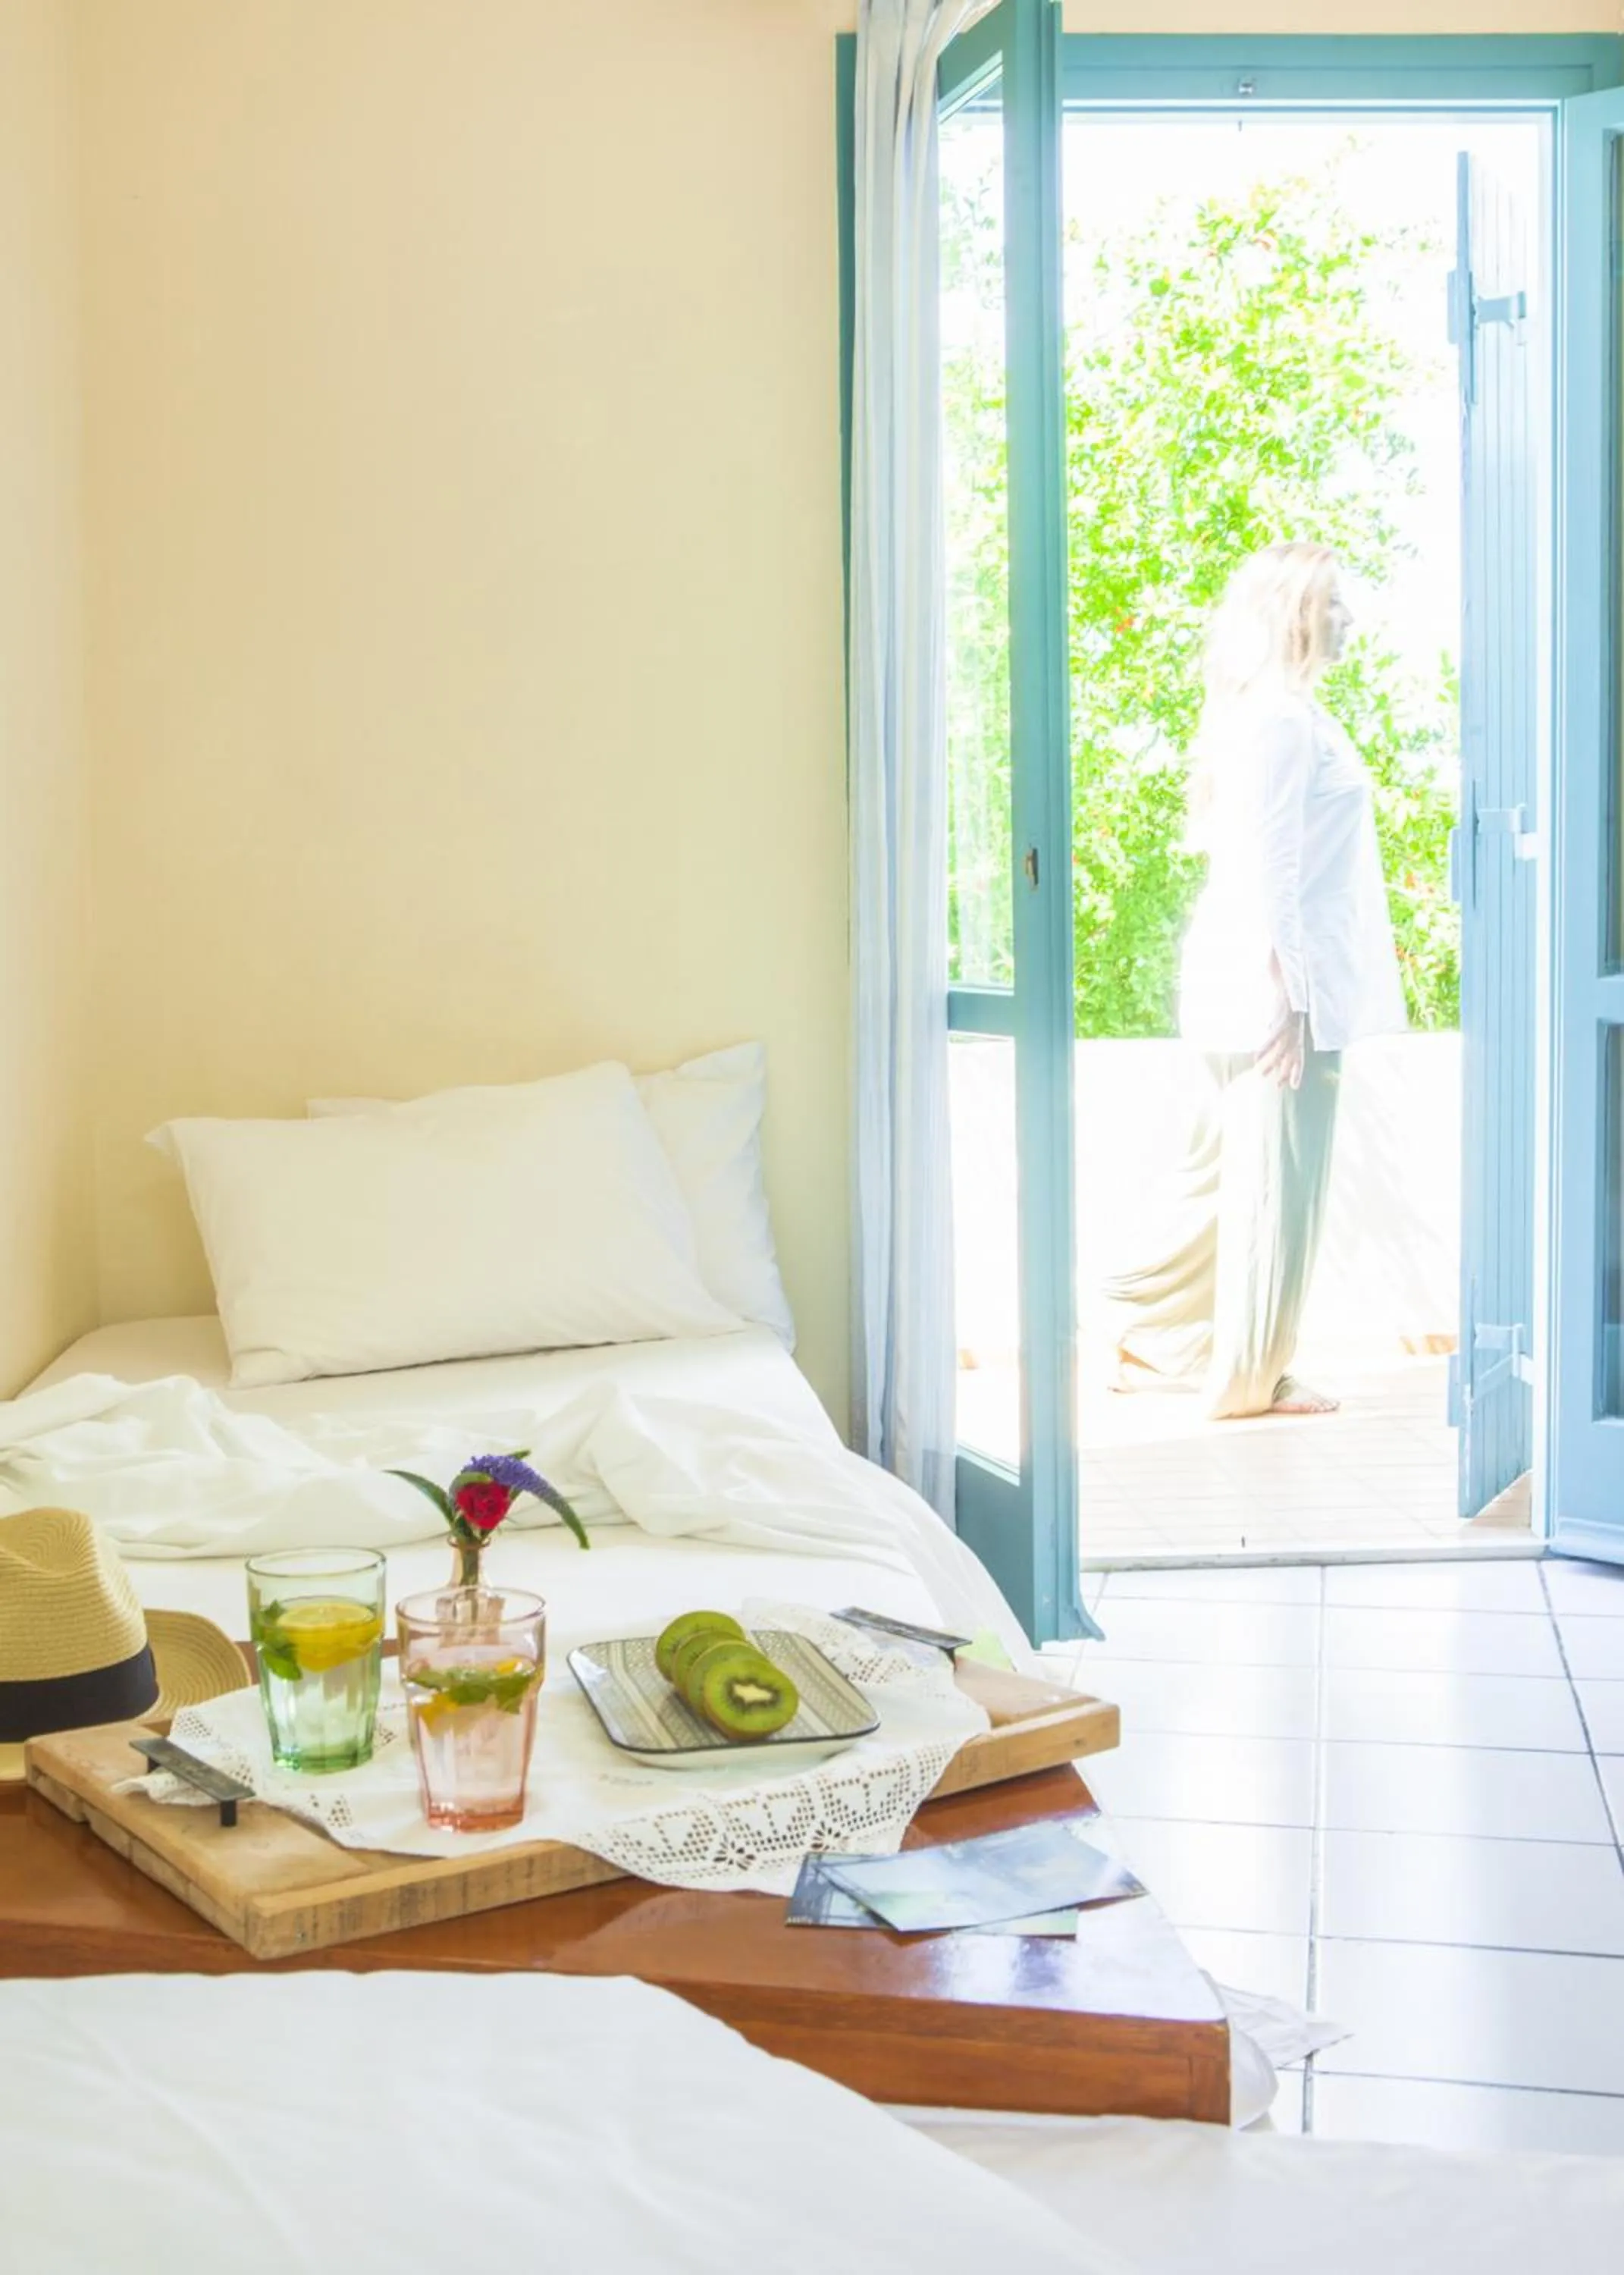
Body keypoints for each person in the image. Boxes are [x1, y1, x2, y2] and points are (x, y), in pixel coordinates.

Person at [1105, 541, 1407, 1419]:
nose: (1351, 619)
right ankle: (1249, 1381)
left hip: (1242, 985)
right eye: (1336, 605)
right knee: (1280, 1189)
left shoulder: (1272, 716)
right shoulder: (1280, 720)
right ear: (1298, 617)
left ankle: (1130, 1328)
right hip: (1270, 995)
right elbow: (1272, 867)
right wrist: (1295, 1002)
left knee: (1210, 1187)